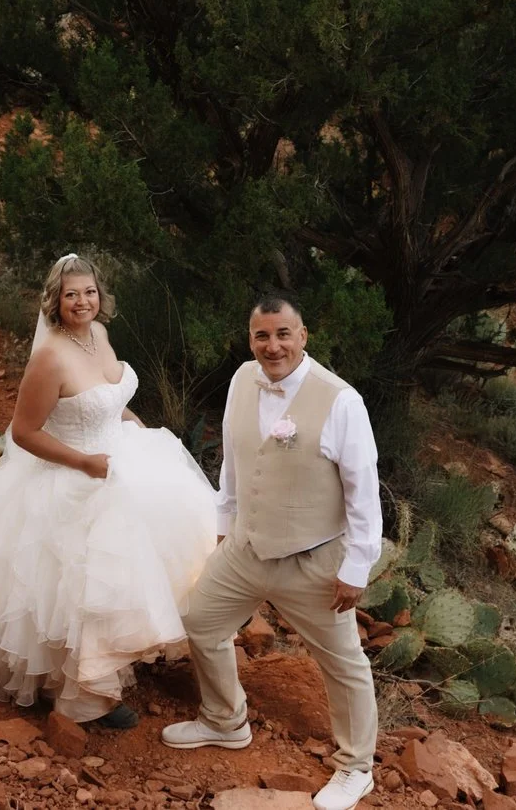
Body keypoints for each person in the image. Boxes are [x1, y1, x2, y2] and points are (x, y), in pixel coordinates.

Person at [0, 252, 219, 727]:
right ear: (55, 302)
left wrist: (136, 428)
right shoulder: (49, 358)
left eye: (89, 292)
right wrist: (84, 462)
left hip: (121, 457)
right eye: (71, 295)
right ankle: (81, 692)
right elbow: (24, 432)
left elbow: (106, 400)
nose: (82, 302)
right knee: (82, 583)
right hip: (74, 470)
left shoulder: (100, 336)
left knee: (139, 564)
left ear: (100, 296)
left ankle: (117, 654)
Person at [163, 293, 381, 810]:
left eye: (284, 334)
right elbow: (235, 460)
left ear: (303, 336)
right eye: (262, 335)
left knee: (344, 663)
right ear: (251, 340)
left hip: (314, 560)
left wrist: (356, 568)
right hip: (247, 547)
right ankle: (225, 720)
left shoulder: (340, 400)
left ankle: (356, 768)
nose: (273, 345)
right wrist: (225, 524)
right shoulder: (242, 379)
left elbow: (363, 490)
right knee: (201, 621)